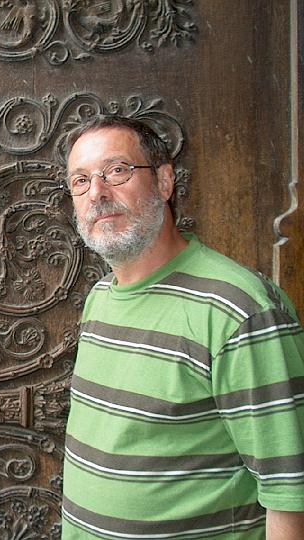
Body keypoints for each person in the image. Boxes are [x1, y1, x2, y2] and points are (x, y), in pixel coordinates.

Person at [60, 115, 304, 539]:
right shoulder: (101, 298)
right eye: (81, 181)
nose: (97, 192)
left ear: (164, 182)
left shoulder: (237, 309)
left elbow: (290, 488)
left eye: (116, 171)